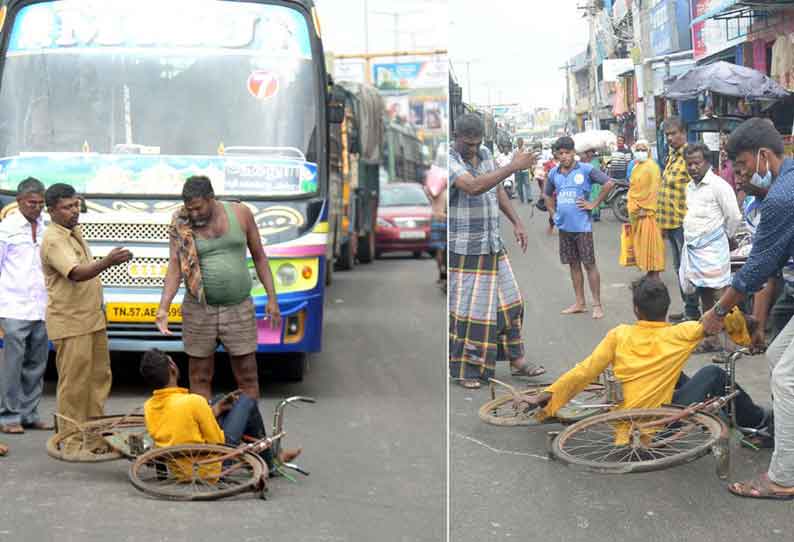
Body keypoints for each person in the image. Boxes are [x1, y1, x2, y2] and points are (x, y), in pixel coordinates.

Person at [525, 277, 770, 443]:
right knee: (713, 374)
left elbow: (584, 372)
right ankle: (757, 421)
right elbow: (725, 316)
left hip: (624, 423)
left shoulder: (619, 334)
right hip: (659, 425)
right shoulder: (682, 333)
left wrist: (551, 393)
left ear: (635, 309)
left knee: (676, 374)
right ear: (666, 307)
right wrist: (750, 335)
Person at [701, 118, 794, 499]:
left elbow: (757, 267)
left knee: (786, 380)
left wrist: (717, 312)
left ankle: (783, 478)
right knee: (777, 356)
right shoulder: (784, 185)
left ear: (763, 155)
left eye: (740, 165)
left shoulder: (782, 198)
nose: (736, 174)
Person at [156, 176, 281, 400]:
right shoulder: (180, 223)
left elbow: (260, 257)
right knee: (200, 376)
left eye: (198, 208)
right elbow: (175, 267)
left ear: (211, 199)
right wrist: (163, 308)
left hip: (239, 307)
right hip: (199, 310)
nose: (193, 214)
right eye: (189, 209)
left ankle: (250, 429)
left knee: (247, 375)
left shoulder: (240, 214)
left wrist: (272, 299)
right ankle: (206, 430)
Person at [448, 114, 544, 389]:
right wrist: (513, 166)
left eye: (477, 144)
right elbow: (474, 186)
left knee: (511, 303)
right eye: (468, 144)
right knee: (471, 313)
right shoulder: (449, 159)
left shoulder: (486, 153)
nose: (473, 149)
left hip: (491, 242)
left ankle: (517, 360)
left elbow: (495, 189)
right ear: (456, 136)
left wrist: (517, 222)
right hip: (466, 248)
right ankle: (466, 370)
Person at [40, 183, 133, 449]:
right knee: (74, 386)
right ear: (52, 211)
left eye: (76, 205)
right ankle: (70, 442)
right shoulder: (54, 239)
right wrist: (108, 262)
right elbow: (76, 273)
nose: (74, 211)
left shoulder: (73, 231)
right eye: (67, 207)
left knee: (98, 379)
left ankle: (93, 437)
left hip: (92, 319)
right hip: (70, 322)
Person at [138, 349, 300, 476]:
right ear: (172, 367)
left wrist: (216, 410)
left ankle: (269, 457)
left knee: (220, 399)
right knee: (246, 401)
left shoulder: (148, 406)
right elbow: (217, 440)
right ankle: (270, 463)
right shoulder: (193, 401)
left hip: (179, 468)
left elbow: (178, 425)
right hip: (209, 466)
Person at [0, 178, 52, 434]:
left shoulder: (46, 228)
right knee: (13, 364)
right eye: (32, 203)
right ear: (19, 202)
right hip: (12, 306)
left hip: (41, 306)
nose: (37, 208)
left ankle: (30, 414)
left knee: (37, 363)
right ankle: (8, 416)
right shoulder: (6, 229)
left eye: (41, 203)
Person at [544, 136, 615, 319]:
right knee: (573, 264)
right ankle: (579, 302)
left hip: (582, 228)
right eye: (560, 154)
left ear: (574, 153)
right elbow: (547, 194)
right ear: (556, 156)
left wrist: (594, 203)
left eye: (567, 153)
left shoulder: (586, 169)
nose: (564, 156)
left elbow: (608, 183)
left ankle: (597, 304)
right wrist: (552, 213)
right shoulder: (554, 173)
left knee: (589, 264)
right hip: (564, 228)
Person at [680, 143, 742, 352]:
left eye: (697, 163)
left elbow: (733, 216)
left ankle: (733, 344)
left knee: (722, 296)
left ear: (707, 162)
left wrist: (726, 237)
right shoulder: (690, 187)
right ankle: (712, 340)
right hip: (696, 252)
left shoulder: (719, 186)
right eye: (689, 164)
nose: (693, 167)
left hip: (714, 250)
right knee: (704, 294)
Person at [657, 117, 700, 322]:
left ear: (683, 133)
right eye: (667, 135)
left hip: (685, 222)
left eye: (674, 133)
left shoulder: (690, 156)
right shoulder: (672, 156)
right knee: (679, 269)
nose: (670, 138)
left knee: (688, 269)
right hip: (671, 223)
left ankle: (693, 312)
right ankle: (688, 309)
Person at [626, 140, 664, 279]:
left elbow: (654, 189)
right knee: (641, 244)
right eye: (638, 149)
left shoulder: (652, 166)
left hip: (648, 212)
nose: (640, 152)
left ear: (648, 151)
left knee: (652, 244)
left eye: (643, 149)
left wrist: (647, 208)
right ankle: (649, 272)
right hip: (636, 210)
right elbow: (633, 187)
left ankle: (655, 275)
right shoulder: (636, 167)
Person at [424, 176, 447, 290]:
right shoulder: (448, 194)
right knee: (447, 250)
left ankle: (441, 274)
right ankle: (446, 273)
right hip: (446, 221)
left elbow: (426, 190)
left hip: (436, 221)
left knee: (439, 250)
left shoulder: (435, 194)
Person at [514, 138, 532, 204]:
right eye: (518, 142)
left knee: (527, 184)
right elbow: (514, 159)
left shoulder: (526, 150)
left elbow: (529, 158)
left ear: (522, 142)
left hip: (525, 170)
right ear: (517, 143)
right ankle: (521, 198)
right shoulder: (515, 151)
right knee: (519, 186)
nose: (520, 143)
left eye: (521, 142)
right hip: (518, 171)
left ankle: (529, 197)